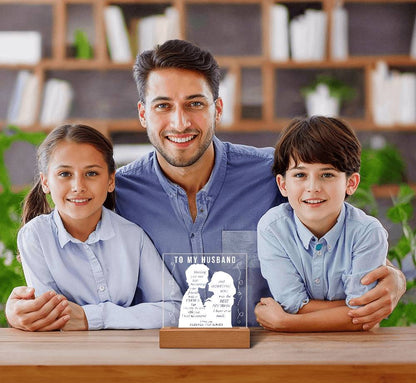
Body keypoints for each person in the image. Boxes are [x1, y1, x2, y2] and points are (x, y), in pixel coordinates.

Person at [6, 39, 406, 331]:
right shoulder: (114, 192)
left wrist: (393, 277)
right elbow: (66, 253)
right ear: (144, 114)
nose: (180, 123)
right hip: (157, 368)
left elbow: (343, 232)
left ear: (217, 108)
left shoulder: (276, 173)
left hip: (273, 360)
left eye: (195, 104)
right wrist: (21, 307)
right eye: (163, 106)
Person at [16, 124, 181, 330]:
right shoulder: (35, 236)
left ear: (111, 180)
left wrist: (90, 317)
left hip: (126, 351)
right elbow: (50, 318)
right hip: (61, 354)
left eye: (92, 173)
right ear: (45, 182)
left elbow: (174, 309)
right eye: (65, 174)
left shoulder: (132, 236)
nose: (78, 186)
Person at [255, 116, 389, 331]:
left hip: (357, 350)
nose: (313, 187)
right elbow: (292, 304)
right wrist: (352, 311)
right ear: (283, 185)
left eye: (327, 175)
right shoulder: (273, 228)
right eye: (300, 174)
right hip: (290, 349)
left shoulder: (368, 233)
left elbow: (366, 315)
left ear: (351, 183)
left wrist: (286, 322)